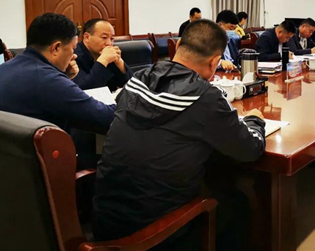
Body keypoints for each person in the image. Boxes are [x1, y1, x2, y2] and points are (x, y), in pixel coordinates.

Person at [92, 19, 266, 251]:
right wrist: (255, 120)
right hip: (155, 236)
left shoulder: (138, 79)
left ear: (178, 45)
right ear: (215, 62)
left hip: (104, 222)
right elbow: (250, 150)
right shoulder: (205, 97)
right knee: (237, 203)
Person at [0, 13, 115, 134]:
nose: (74, 56)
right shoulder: (48, 79)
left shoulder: (4, 68)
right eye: (72, 49)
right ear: (56, 48)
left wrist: (64, 77)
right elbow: (107, 118)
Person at [73, 19, 132, 91]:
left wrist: (120, 63)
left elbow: (132, 86)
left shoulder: (109, 55)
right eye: (104, 37)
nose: (109, 43)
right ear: (87, 37)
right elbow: (84, 89)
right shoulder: (74, 56)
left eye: (112, 38)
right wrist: (103, 61)